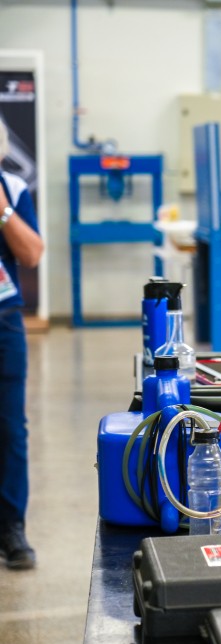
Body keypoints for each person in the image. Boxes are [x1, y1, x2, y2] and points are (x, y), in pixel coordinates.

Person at [0, 119, 44, 570]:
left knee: (10, 427)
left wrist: (2, 210)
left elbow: (31, 254)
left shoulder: (11, 188)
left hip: (3, 319)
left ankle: (11, 526)